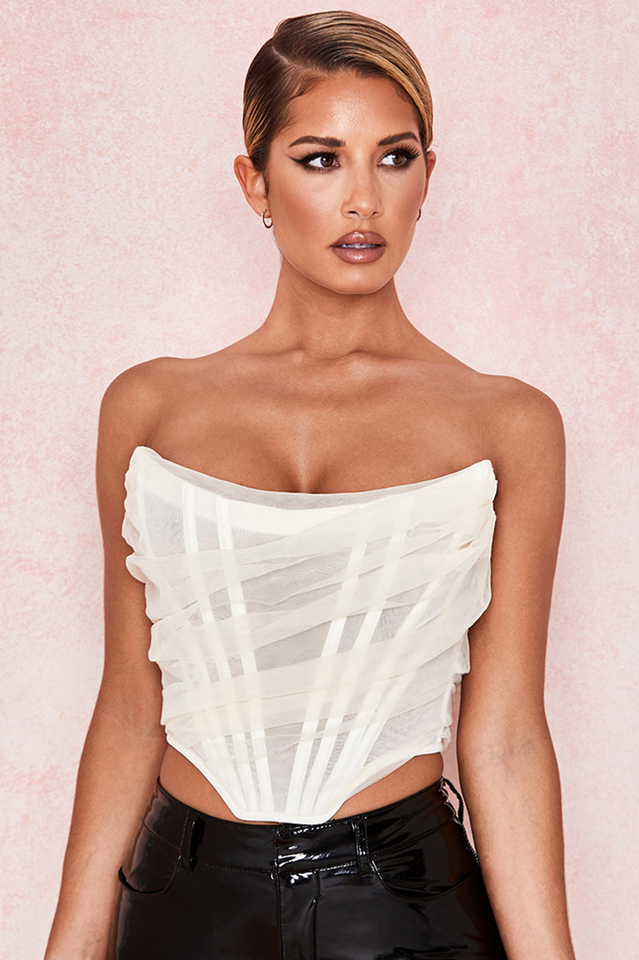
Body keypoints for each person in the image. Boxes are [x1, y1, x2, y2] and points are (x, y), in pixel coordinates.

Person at [45, 10, 576, 960]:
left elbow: (503, 737)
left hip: (407, 908)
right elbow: (130, 705)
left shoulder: (508, 424)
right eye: (321, 160)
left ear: (427, 177)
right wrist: (70, 945)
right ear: (254, 180)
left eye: (394, 158)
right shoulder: (148, 408)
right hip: (186, 905)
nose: (363, 199)